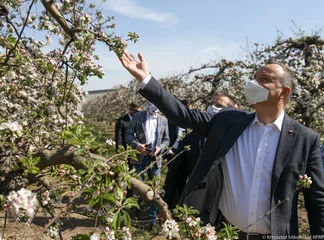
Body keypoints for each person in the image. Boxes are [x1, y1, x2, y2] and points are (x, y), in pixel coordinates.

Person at [119, 52, 324, 238]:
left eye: (264, 80)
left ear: (284, 92)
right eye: (255, 78)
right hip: (228, 232)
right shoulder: (229, 122)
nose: (254, 83)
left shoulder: (305, 139)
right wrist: (146, 79)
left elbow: (316, 201)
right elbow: (184, 116)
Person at [163, 93, 237, 210]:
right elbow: (177, 174)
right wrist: (168, 205)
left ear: (233, 110)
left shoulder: (240, 137)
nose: (212, 107)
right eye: (211, 104)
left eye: (218, 105)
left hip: (230, 204)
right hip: (198, 204)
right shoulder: (191, 136)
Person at [125, 102, 170, 228]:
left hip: (155, 159)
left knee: (155, 189)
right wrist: (138, 145)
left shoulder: (163, 119)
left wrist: (159, 148)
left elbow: (167, 140)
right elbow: (128, 135)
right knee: (137, 187)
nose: (153, 113)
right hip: (139, 157)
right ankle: (134, 216)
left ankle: (151, 220)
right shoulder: (138, 116)